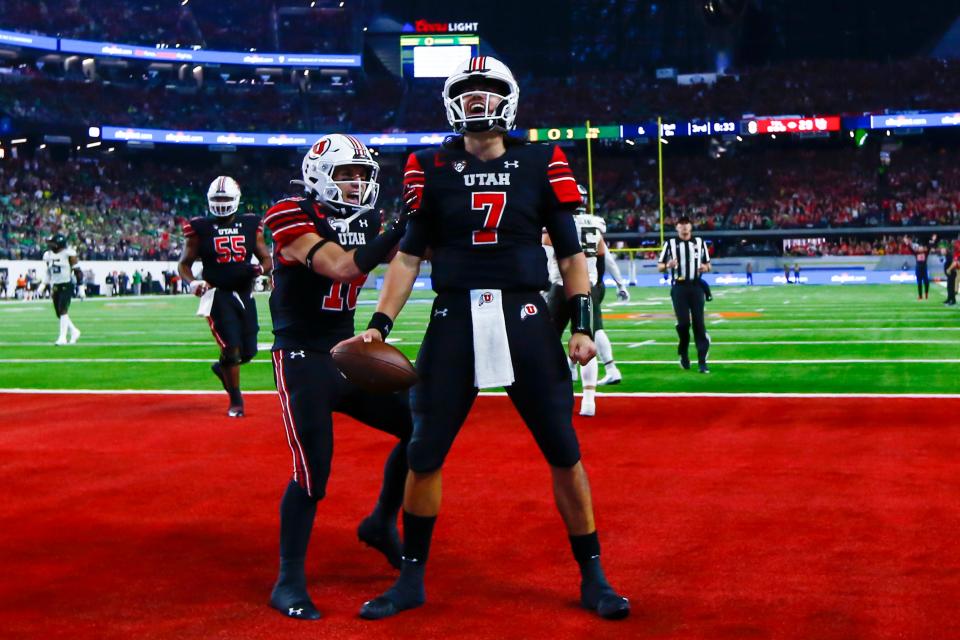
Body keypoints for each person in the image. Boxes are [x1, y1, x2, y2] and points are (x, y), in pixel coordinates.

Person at [344, 56, 630, 621]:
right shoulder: (428, 164)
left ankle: (593, 576)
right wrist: (379, 324)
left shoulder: (542, 160)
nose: (477, 101)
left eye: (488, 90)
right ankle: (412, 580)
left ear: (509, 98)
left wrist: (582, 323)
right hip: (453, 317)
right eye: (467, 92)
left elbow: (571, 255)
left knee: (563, 450)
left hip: (524, 313)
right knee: (424, 452)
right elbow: (405, 259)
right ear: (452, 102)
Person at [263, 134, 415, 620]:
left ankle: (380, 524)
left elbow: (407, 261)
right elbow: (341, 265)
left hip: (348, 353)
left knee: (420, 427)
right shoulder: (288, 213)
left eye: (362, 175)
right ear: (317, 174)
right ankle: (287, 580)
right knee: (313, 472)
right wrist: (400, 226)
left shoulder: (368, 220)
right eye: (345, 173)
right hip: (302, 357)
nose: (356, 183)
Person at [178, 176, 273, 417]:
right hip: (216, 293)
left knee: (248, 351)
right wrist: (193, 282)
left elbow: (266, 259)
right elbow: (184, 264)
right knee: (231, 347)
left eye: (225, 198)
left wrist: (260, 269)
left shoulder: (251, 224)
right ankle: (236, 401)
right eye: (217, 199)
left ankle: (224, 368)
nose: (221, 203)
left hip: (244, 292)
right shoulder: (200, 228)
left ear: (236, 200)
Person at [658, 215, 711, 373]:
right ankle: (683, 353)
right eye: (681, 224)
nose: (684, 227)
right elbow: (659, 266)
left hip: (696, 286)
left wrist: (704, 268)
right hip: (679, 287)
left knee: (699, 324)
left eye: (687, 224)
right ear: (677, 228)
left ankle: (702, 361)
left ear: (691, 226)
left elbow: (709, 265)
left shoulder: (700, 242)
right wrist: (668, 265)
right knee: (683, 324)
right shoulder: (670, 244)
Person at [42, 233, 82, 345]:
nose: (51, 245)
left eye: (54, 243)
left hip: (66, 284)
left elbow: (78, 271)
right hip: (55, 285)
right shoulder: (48, 255)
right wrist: (43, 284)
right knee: (59, 313)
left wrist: (81, 288)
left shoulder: (69, 254)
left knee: (63, 309)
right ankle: (74, 331)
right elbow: (48, 271)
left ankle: (62, 337)